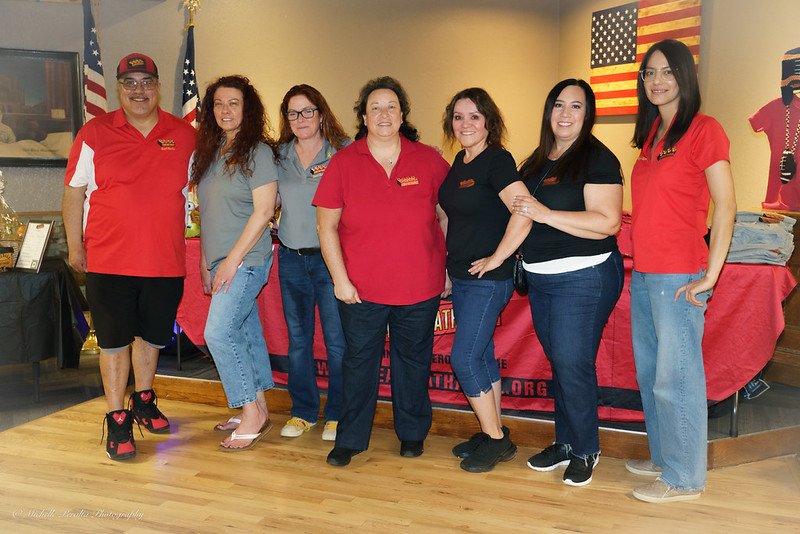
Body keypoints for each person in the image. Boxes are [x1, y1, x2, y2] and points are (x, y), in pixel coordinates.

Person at [62, 53, 195, 460]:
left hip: (164, 259)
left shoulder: (185, 134)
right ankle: (117, 418)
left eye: (147, 82)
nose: (139, 90)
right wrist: (75, 246)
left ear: (158, 86)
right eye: (130, 83)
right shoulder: (94, 132)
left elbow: (200, 192)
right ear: (118, 88)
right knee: (115, 343)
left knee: (153, 337)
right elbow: (73, 193)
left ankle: (143, 398)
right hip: (109, 260)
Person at [314, 76, 450, 467]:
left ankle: (411, 434)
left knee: (414, 362)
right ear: (363, 116)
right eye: (375, 107)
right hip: (361, 290)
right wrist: (340, 280)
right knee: (358, 364)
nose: (384, 113)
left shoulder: (428, 160)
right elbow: (326, 227)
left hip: (419, 285)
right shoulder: (343, 163)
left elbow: (447, 216)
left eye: (391, 106)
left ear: (403, 113)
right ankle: (351, 438)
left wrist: (447, 268)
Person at [626, 39, 736, 503]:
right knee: (652, 375)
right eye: (650, 72)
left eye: (667, 72)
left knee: (679, 377)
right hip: (645, 273)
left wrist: (710, 275)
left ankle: (686, 477)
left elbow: (726, 206)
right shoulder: (652, 136)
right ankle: (664, 456)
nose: (657, 80)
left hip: (678, 275)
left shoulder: (705, 129)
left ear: (684, 77)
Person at [511, 79, 624, 486]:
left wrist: (545, 214)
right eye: (559, 104)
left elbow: (607, 222)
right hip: (543, 281)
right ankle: (565, 442)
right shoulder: (536, 161)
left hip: (585, 278)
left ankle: (586, 448)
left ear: (587, 114)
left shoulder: (597, 158)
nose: (565, 113)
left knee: (573, 363)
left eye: (576, 107)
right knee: (561, 362)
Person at [437, 87, 531, 473]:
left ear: (489, 122)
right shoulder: (458, 162)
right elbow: (451, 219)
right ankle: (494, 430)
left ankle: (495, 439)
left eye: (474, 116)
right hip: (460, 276)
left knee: (463, 357)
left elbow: (524, 211)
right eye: (458, 117)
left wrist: (498, 257)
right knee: (481, 354)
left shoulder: (497, 161)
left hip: (488, 279)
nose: (466, 124)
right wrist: (445, 266)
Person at [192, 75, 280, 451]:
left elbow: (263, 213)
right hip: (219, 260)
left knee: (219, 333)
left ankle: (250, 411)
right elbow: (205, 214)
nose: (225, 110)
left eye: (233, 103)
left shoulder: (257, 152)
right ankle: (257, 404)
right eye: (218, 104)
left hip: (246, 260)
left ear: (247, 109)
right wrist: (204, 262)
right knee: (243, 332)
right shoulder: (209, 153)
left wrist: (229, 262)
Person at [275, 84, 349, 442]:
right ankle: (303, 412)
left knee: (336, 342)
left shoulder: (344, 152)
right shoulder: (278, 156)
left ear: (321, 114)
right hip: (290, 259)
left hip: (330, 261)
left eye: (307, 111)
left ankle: (336, 414)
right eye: (293, 113)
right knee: (299, 342)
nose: (300, 119)